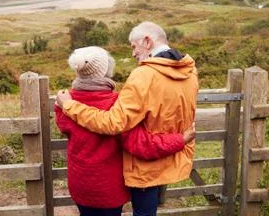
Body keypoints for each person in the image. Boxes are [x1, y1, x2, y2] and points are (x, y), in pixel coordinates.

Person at [56, 21, 198, 216]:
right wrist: (179, 140)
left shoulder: (143, 75)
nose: (132, 54)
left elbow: (113, 123)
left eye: (134, 47)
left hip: (141, 165)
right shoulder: (190, 71)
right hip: (164, 156)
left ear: (147, 41)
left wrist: (69, 105)